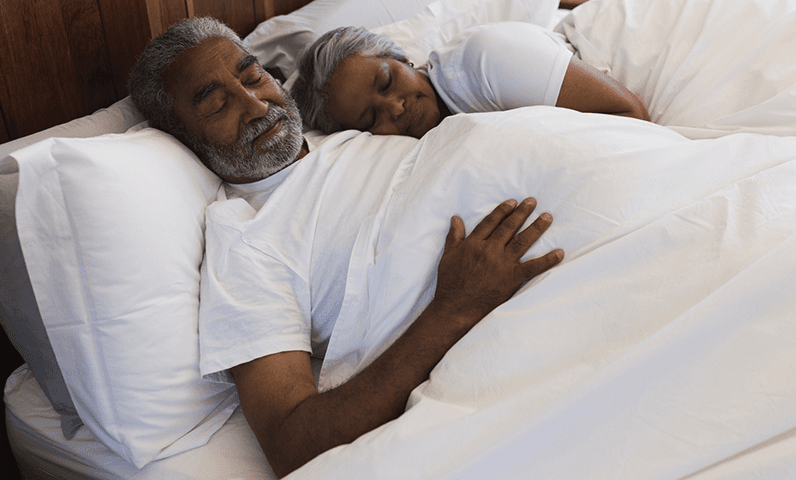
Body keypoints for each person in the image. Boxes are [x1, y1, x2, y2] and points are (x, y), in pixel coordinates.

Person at [128, 17, 564, 477]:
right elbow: (291, 442)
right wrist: (453, 310)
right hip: (525, 297)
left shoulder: (339, 129)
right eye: (218, 105)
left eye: (253, 77)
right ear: (184, 138)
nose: (256, 105)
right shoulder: (243, 239)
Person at [291, 23, 650, 138]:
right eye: (372, 118)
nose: (395, 107)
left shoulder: (486, 58)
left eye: (386, 82)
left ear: (401, 59)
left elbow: (631, 115)